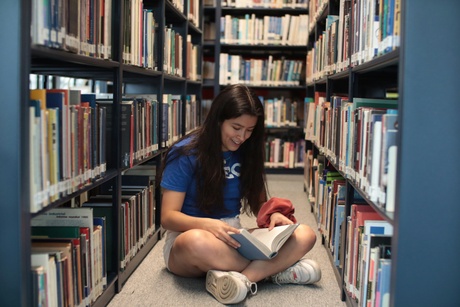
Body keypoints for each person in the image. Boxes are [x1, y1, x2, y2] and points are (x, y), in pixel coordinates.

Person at [158, 84, 321, 305]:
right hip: (190, 235)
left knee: (305, 234)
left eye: (249, 130)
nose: (242, 137)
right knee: (196, 242)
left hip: (235, 237)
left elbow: (259, 204)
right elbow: (168, 218)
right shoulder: (185, 153)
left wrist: (272, 216)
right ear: (218, 119)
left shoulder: (247, 151)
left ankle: (243, 280)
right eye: (236, 127)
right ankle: (272, 271)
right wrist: (208, 225)